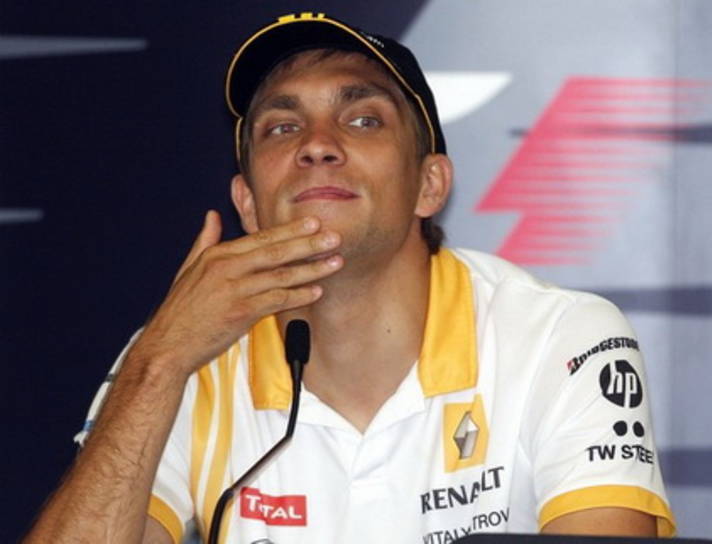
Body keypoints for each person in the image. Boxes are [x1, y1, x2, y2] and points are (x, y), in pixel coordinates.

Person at [25, 12, 675, 543]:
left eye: (362, 119)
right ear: (247, 203)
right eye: (282, 127)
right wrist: (159, 360)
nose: (316, 144)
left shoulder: (559, 337)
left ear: (429, 185)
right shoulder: (183, 355)